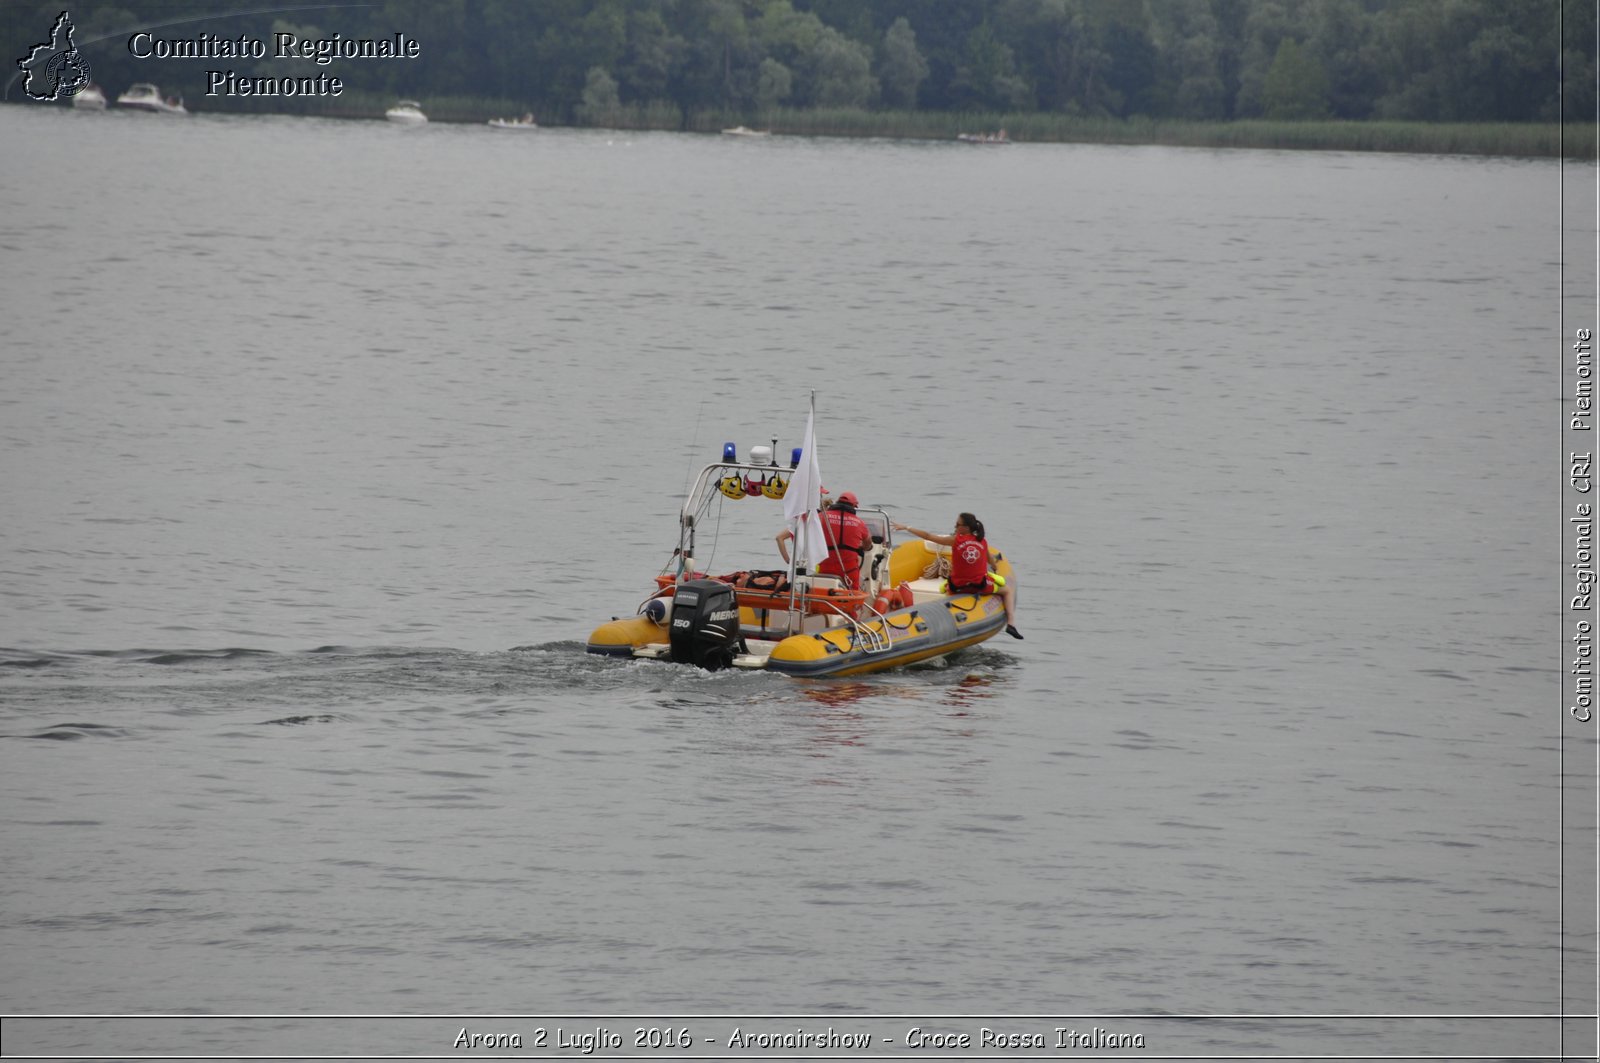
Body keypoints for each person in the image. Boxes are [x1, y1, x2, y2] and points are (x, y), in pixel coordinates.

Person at [893, 512, 1022, 639]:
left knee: (945, 592)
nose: (955, 527)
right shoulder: (981, 541)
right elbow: (991, 561)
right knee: (1007, 590)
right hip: (979, 586)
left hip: (957, 586)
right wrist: (995, 568)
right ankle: (1011, 623)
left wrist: (906, 527)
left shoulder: (955, 540)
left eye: (957, 524)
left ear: (966, 528)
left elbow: (928, 536)